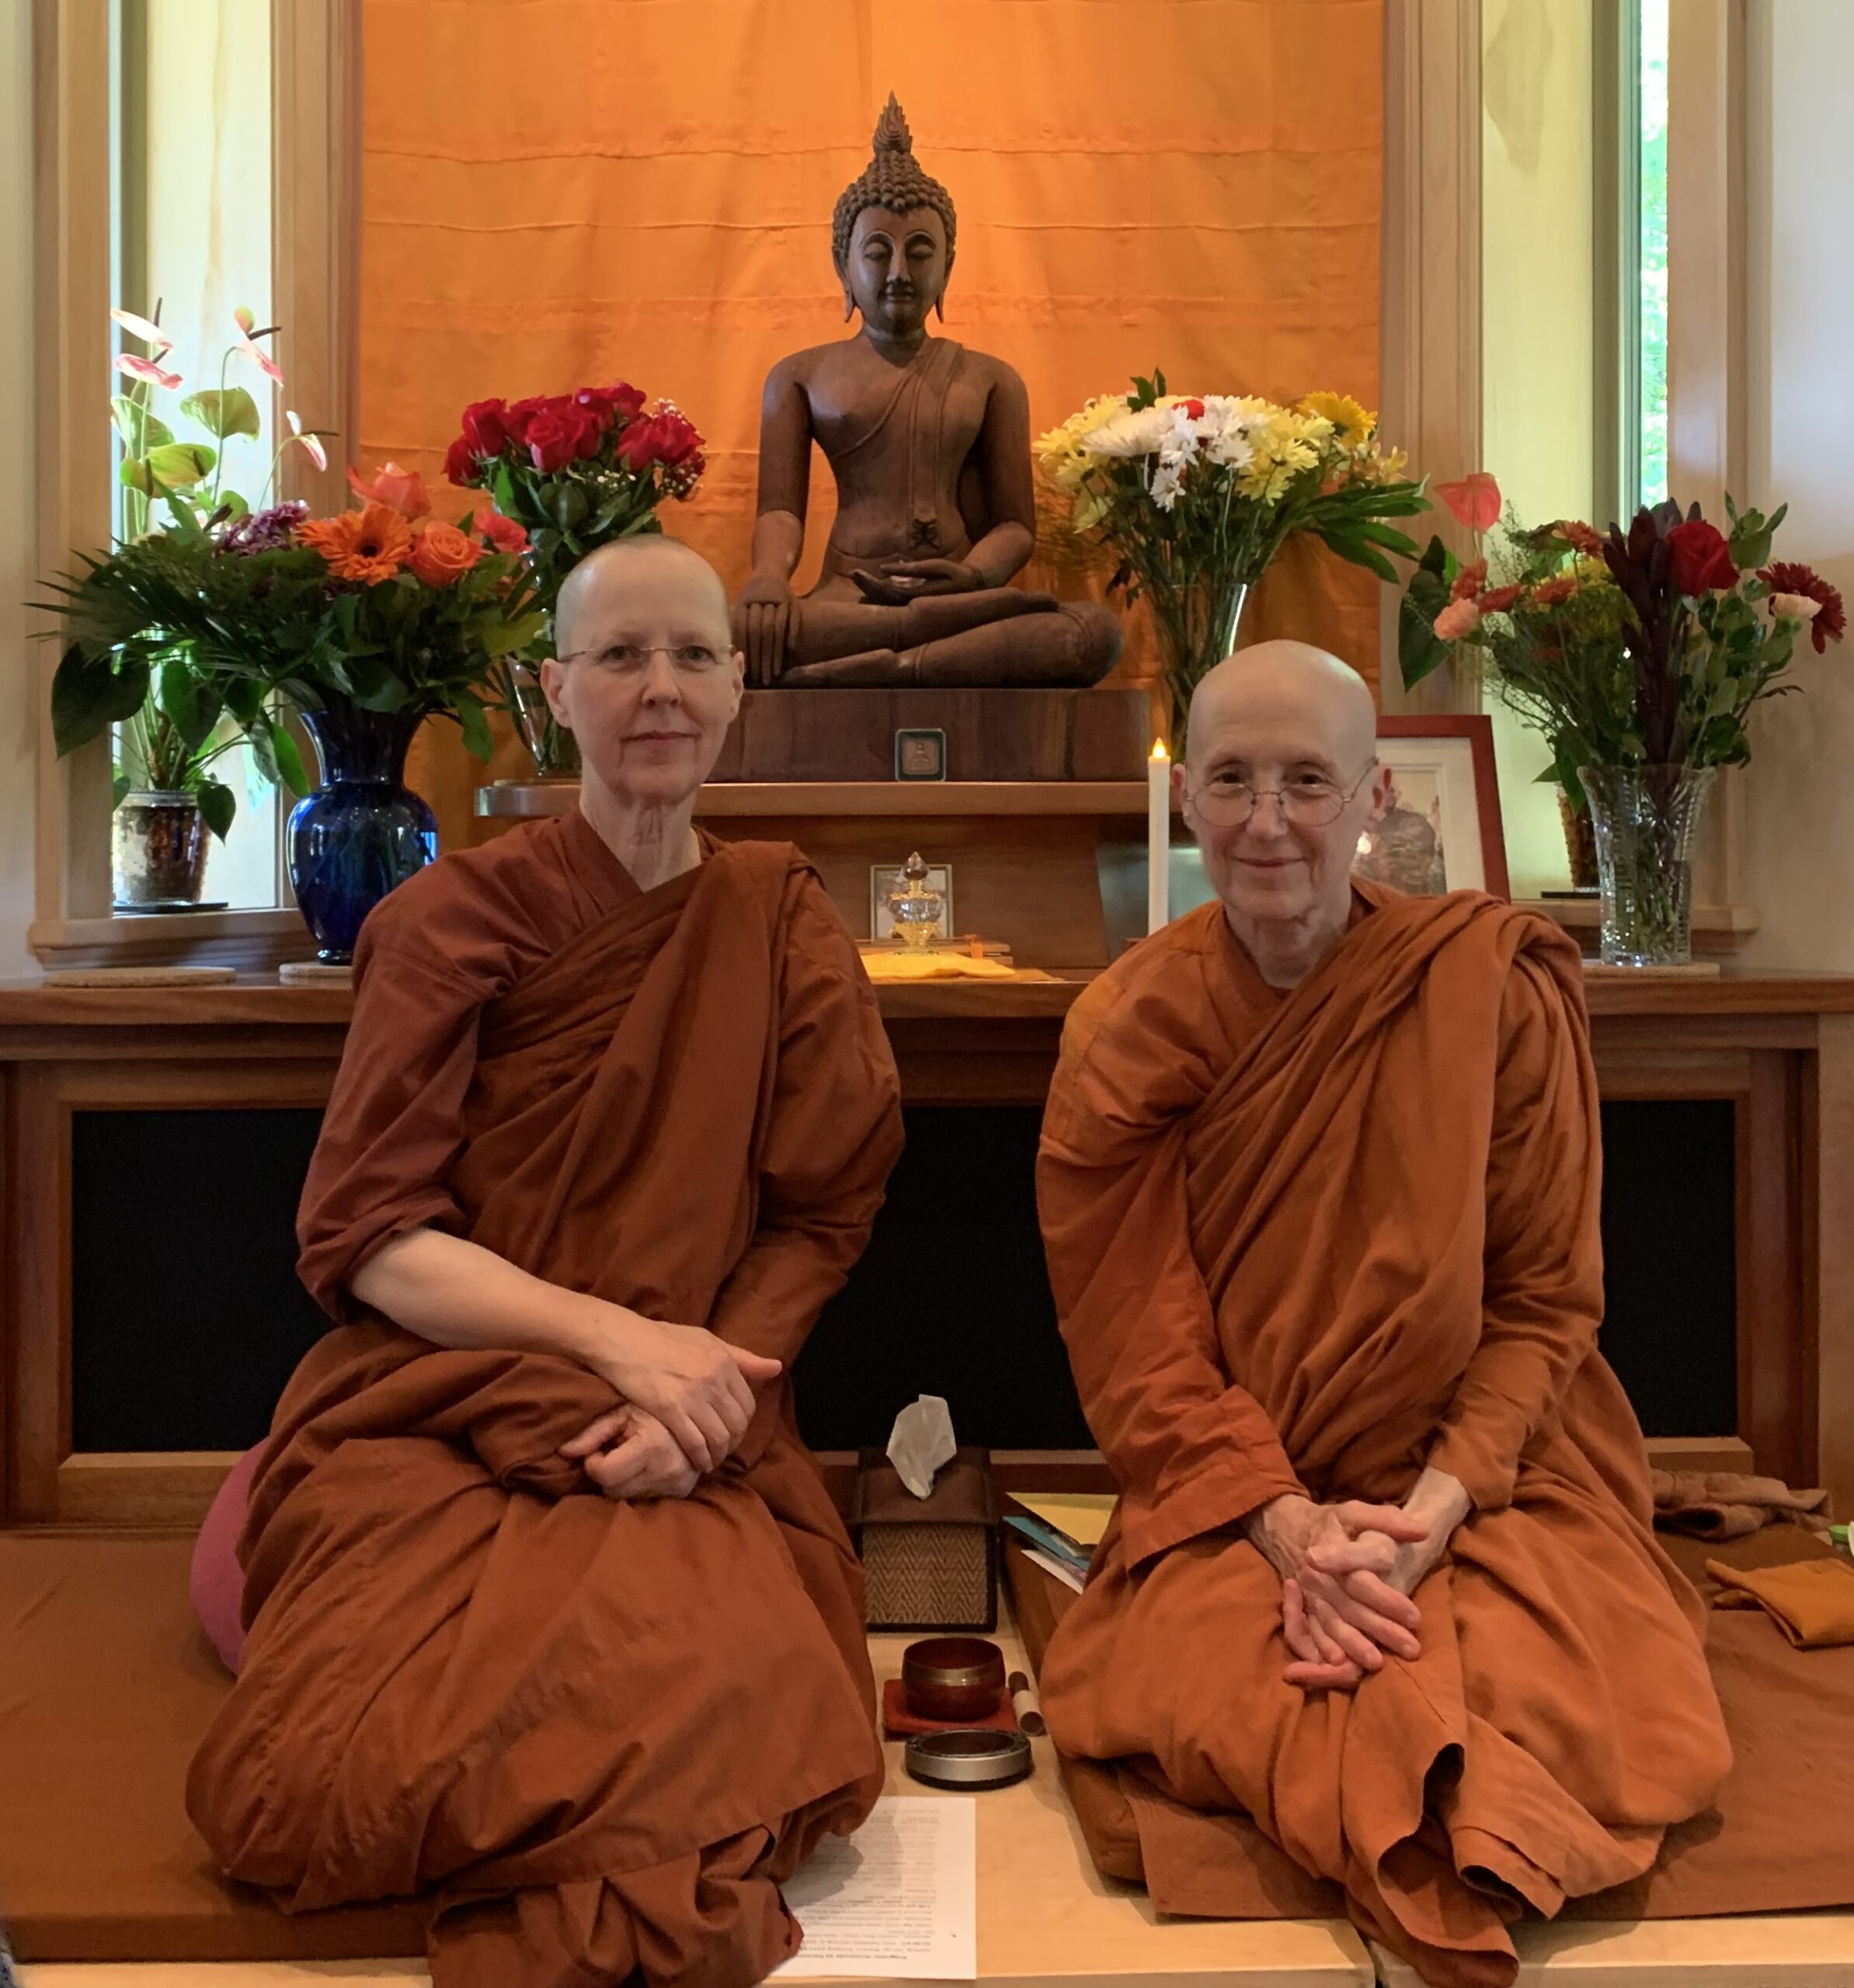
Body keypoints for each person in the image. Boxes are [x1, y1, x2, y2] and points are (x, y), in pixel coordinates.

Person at [188, 535, 905, 1988]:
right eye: (621, 657)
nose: (659, 691)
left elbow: (819, 1213)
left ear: (736, 691)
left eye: (693, 658)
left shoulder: (777, 918)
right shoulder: (448, 919)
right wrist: (618, 1345)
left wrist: (701, 1395)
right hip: (446, 1394)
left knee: (758, 1688)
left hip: (693, 1413)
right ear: (551, 690)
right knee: (331, 1774)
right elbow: (369, 1239)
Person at [1035, 641, 1731, 1988]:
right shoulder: (1129, 1025)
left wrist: (1430, 1512)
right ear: (1186, 804)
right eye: (1231, 780)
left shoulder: (1485, 988)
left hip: (1491, 1474)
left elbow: (1544, 1301)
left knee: (1583, 1706)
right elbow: (1134, 1340)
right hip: (1240, 1491)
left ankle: (1436, 1809)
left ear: (1370, 797)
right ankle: (1425, 1828)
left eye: (1307, 781)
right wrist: (1289, 1527)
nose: (1267, 822)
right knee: (1209, 1679)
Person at [733, 95, 1121, 687]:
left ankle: (894, 666)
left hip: (958, 605)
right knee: (728, 636)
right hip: (845, 598)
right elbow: (780, 509)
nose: (898, 274)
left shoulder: (991, 379)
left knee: (1092, 633)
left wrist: (971, 579)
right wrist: (767, 578)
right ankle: (907, 661)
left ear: (949, 264)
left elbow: (1015, 528)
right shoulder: (798, 376)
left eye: (919, 253)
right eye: (876, 253)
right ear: (843, 265)